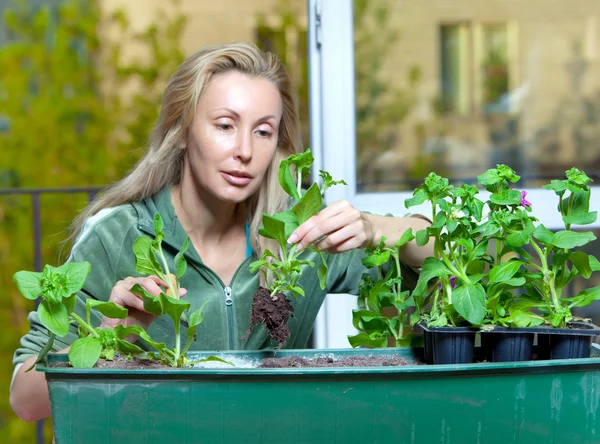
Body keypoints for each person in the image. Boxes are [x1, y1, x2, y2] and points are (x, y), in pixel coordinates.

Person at [10, 42, 433, 422]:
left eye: (263, 131)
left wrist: (376, 228)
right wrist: (114, 330)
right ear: (181, 132)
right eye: (225, 125)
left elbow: (444, 267)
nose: (245, 151)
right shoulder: (117, 235)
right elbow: (26, 401)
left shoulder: (298, 230)